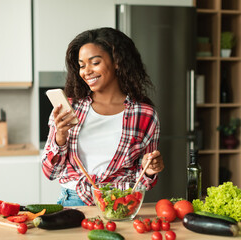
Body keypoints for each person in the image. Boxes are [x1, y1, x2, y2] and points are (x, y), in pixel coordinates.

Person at [41, 27, 164, 206]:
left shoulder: (145, 114)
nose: (86, 71)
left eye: (95, 62)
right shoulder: (69, 108)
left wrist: (150, 170)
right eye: (82, 65)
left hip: (121, 203)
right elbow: (50, 172)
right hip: (74, 202)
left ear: (117, 62)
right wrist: (60, 137)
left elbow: (143, 181)